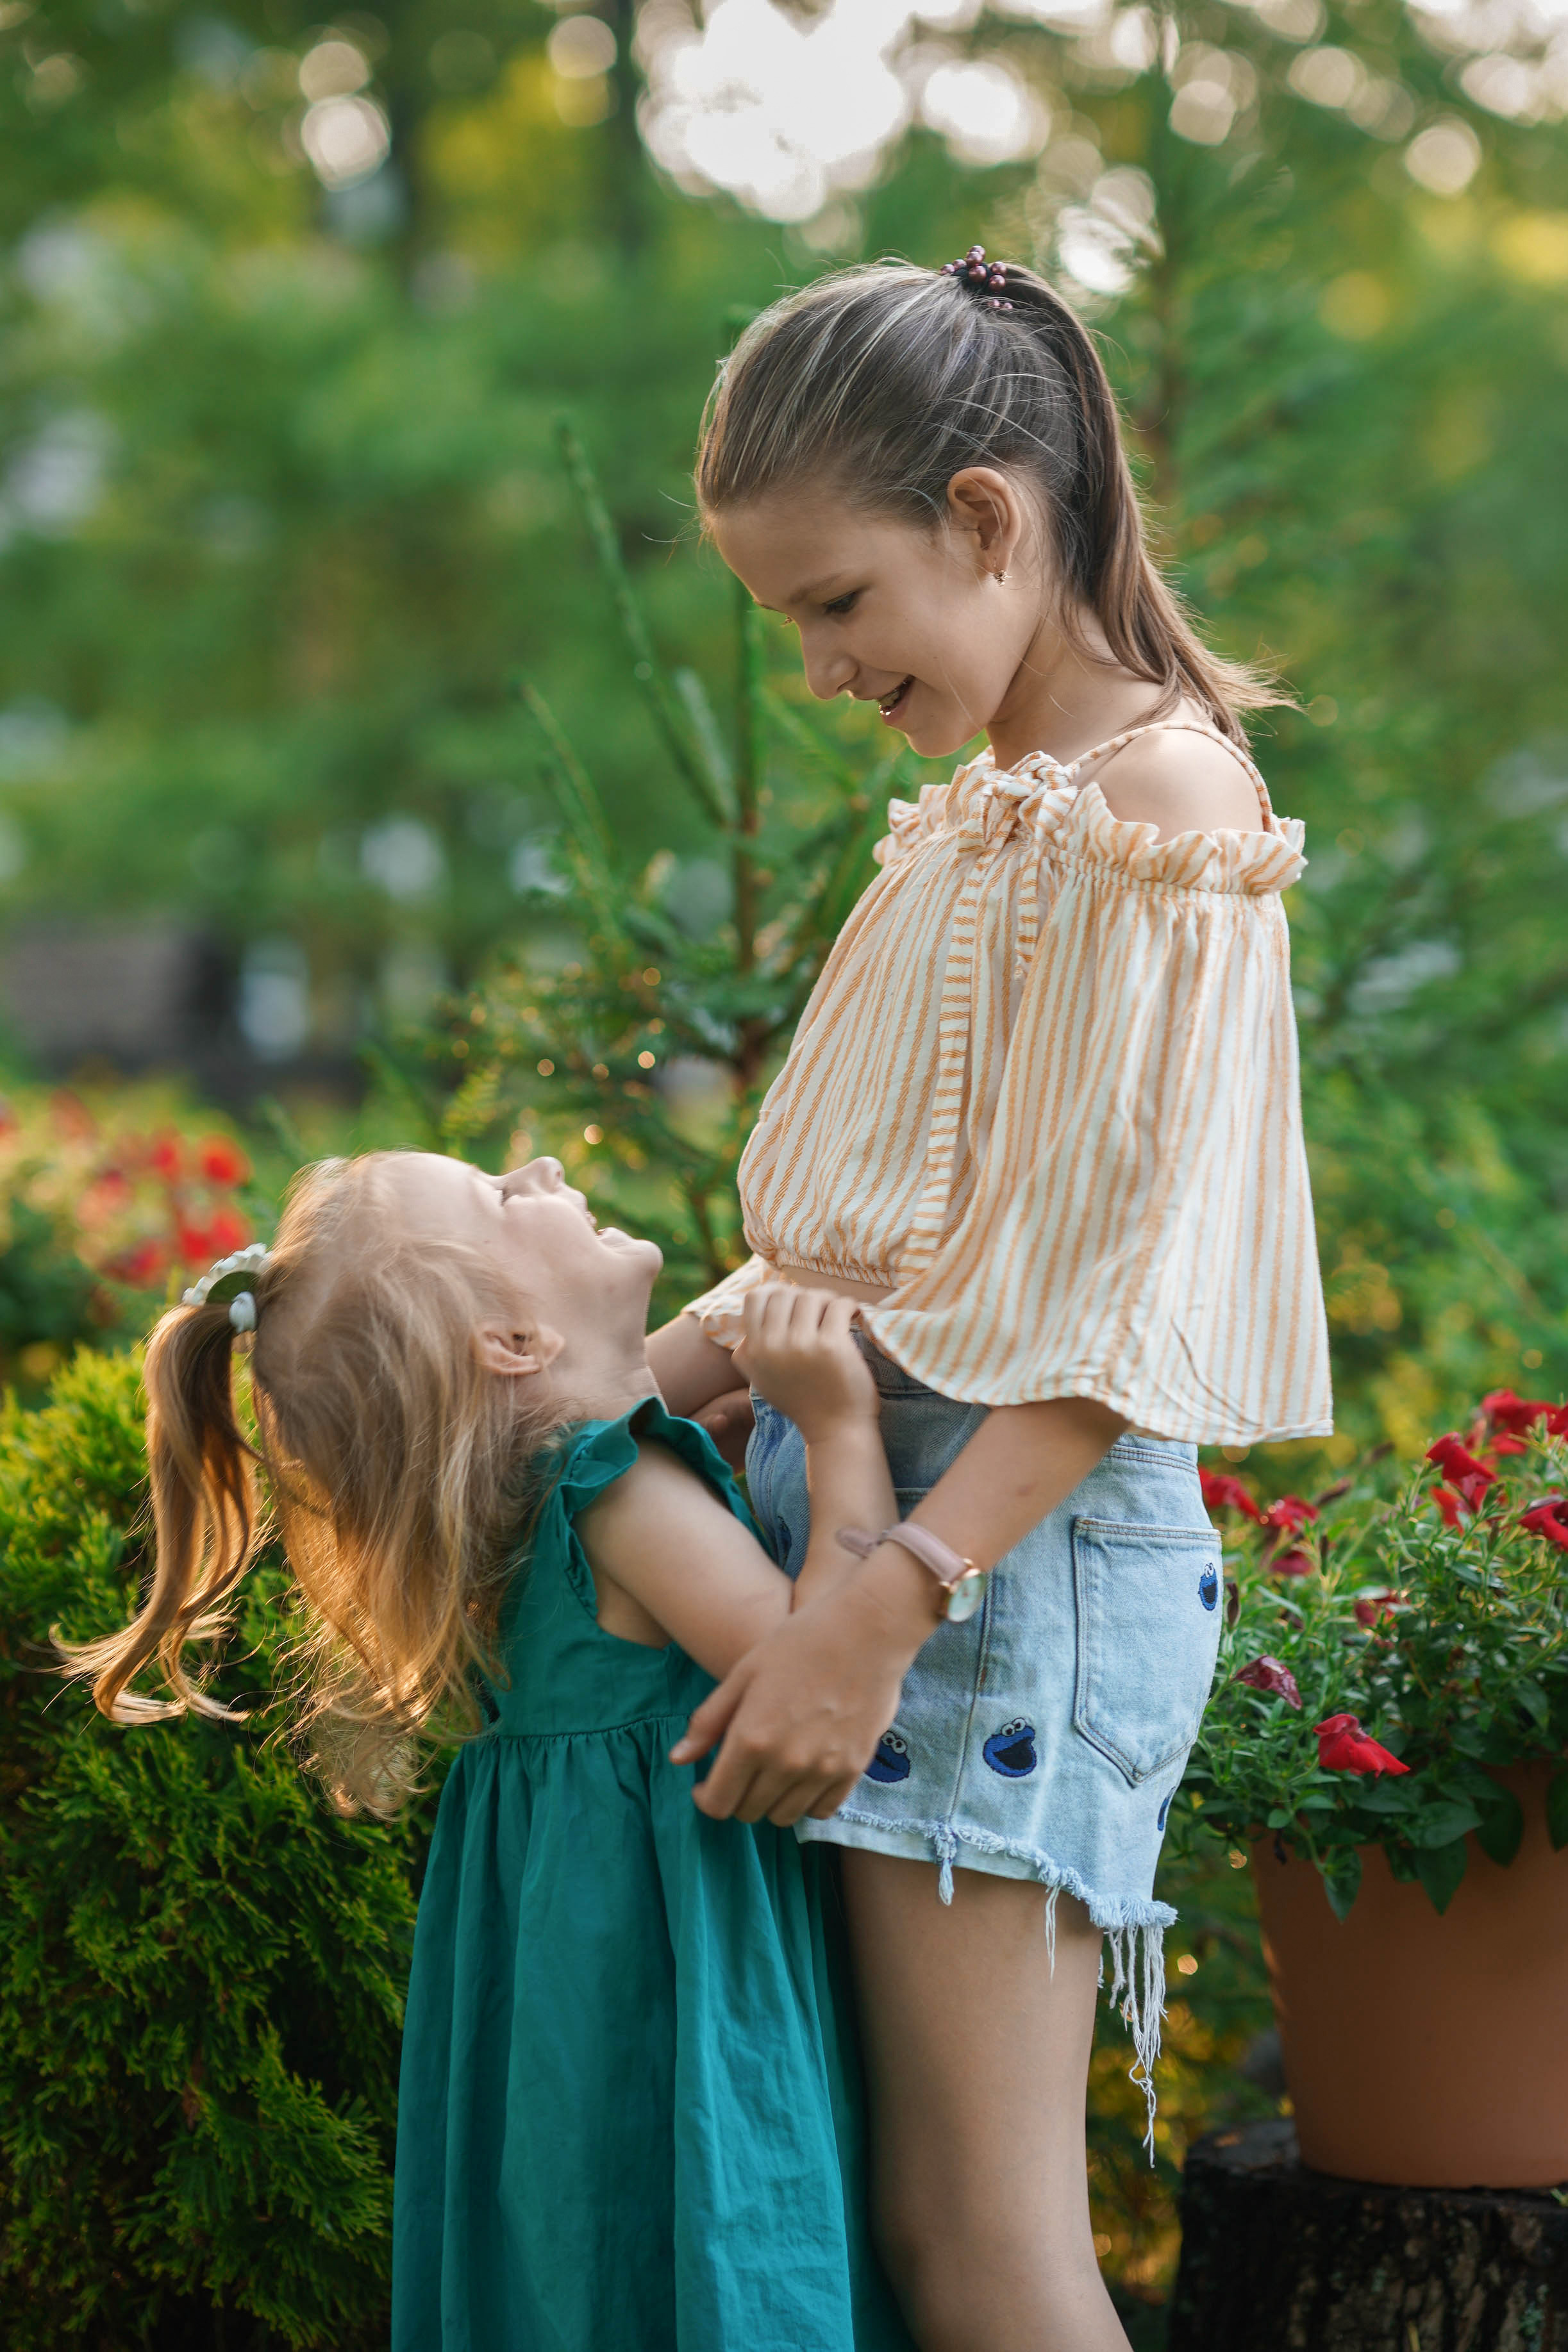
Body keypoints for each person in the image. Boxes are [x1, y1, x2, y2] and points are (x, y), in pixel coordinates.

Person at [647, 249, 1333, 2352]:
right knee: (898, 2212)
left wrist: (888, 1592)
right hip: (902, 1528)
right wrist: (603, 1381)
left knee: (981, 2238)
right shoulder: (986, 817)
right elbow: (866, 1247)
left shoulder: (1159, 809)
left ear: (982, 519)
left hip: (998, 1560)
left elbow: (1116, 1322)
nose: (817, 671)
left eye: (834, 606)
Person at [62, 1151, 915, 2352]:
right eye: (503, 1196)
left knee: (588, 2251)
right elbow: (815, 1665)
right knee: (708, 2219)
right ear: (510, 1344)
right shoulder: (613, 1489)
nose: (546, 1164)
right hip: (662, 1947)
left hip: (571, 1963)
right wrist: (837, 1427)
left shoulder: (529, 1487)